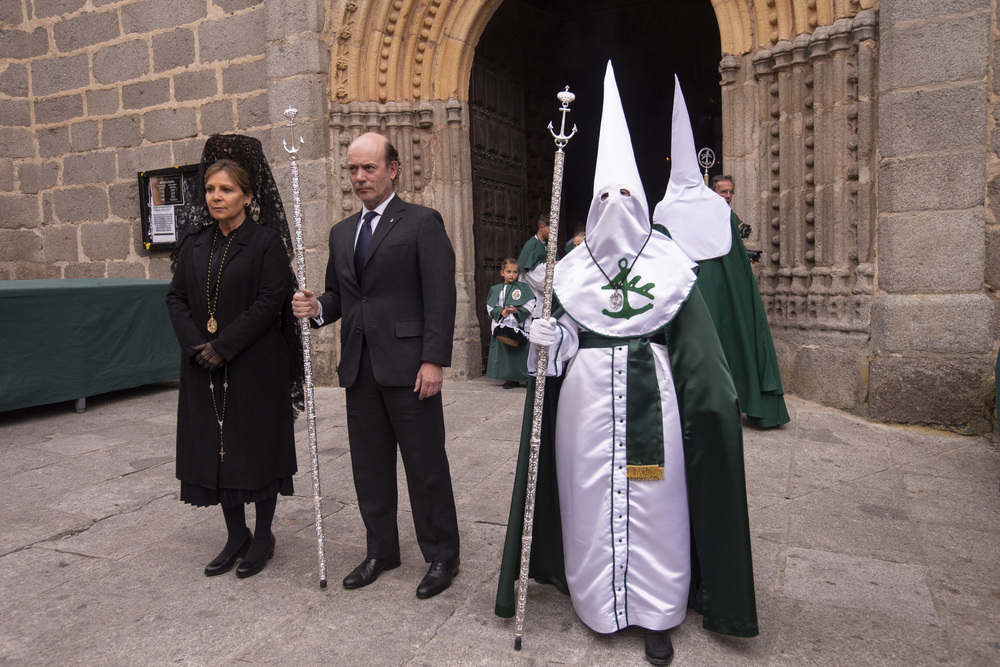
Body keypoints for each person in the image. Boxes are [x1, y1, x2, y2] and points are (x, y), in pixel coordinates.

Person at [495, 63, 758, 666]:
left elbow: (700, 360)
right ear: (591, 203)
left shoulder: (671, 270)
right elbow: (558, 353)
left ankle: (657, 611)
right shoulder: (568, 274)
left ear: (643, 202)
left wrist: (716, 413)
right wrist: (544, 335)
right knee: (589, 497)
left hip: (654, 403)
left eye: (626, 196)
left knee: (655, 500)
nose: (615, 206)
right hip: (584, 408)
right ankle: (597, 601)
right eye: (604, 197)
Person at [291, 132, 461, 599]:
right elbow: (340, 296)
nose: (359, 177)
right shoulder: (341, 232)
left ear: (393, 169)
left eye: (368, 168)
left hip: (411, 368)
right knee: (370, 467)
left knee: (425, 466)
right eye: (352, 169)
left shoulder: (423, 223)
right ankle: (381, 550)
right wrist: (316, 309)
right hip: (360, 369)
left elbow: (440, 297)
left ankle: (443, 554)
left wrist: (433, 359)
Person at [166, 134, 302, 579]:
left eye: (226, 189)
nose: (216, 197)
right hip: (204, 365)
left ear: (247, 195)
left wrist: (223, 346)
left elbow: (270, 301)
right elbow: (176, 298)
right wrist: (197, 346)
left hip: (254, 364)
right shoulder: (195, 243)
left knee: (254, 448)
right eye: (210, 189)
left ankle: (263, 535)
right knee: (217, 450)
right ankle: (235, 534)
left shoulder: (264, 242)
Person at [654, 77, 789, 428]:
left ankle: (686, 408)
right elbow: (737, 269)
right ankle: (751, 404)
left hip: (684, 298)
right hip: (722, 300)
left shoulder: (664, 210)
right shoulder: (718, 209)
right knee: (734, 339)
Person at [485, 258, 535, 389]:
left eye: (515, 272)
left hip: (519, 325)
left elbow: (530, 304)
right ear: (502, 273)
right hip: (504, 325)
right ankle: (511, 378)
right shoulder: (496, 289)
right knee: (507, 353)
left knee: (523, 352)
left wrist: (517, 311)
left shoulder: (524, 288)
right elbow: (490, 307)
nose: (512, 274)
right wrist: (501, 311)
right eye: (508, 271)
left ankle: (527, 378)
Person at [517, 215, 549, 318]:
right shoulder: (531, 245)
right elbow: (531, 274)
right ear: (541, 227)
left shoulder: (550, 245)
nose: (554, 233)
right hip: (533, 290)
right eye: (551, 229)